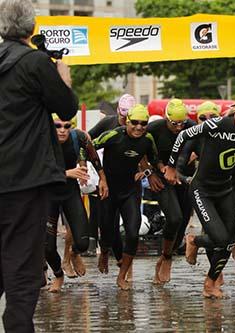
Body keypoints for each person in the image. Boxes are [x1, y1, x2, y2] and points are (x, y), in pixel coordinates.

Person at [0, 0, 78, 330]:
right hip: (24, 180)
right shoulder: (35, 63)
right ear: (32, 29)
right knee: (23, 267)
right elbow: (66, 107)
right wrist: (61, 71)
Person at [165, 88, 235, 298]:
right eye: (203, 117)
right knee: (220, 237)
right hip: (204, 190)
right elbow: (182, 151)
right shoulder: (204, 131)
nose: (207, 120)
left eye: (212, 116)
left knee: (228, 237)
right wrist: (176, 171)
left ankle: (211, 280)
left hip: (230, 187)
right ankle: (198, 250)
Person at [93, 104, 160, 290]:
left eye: (143, 123)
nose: (139, 127)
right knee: (108, 230)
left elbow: (154, 160)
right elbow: (88, 147)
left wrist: (148, 172)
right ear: (127, 122)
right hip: (109, 190)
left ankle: (122, 275)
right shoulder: (114, 135)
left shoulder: (147, 139)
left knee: (132, 232)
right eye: (135, 123)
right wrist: (101, 176)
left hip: (130, 190)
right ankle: (105, 251)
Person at [45, 115, 108, 292]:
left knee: (82, 243)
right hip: (48, 195)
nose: (62, 130)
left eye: (67, 126)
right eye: (57, 126)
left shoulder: (78, 137)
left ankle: (73, 254)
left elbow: (94, 157)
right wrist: (67, 173)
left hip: (69, 193)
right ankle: (58, 274)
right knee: (48, 247)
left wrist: (102, 179)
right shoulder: (42, 140)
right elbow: (38, 171)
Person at [147, 99, 195, 285]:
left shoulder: (191, 127)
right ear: (166, 118)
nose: (178, 127)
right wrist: (152, 171)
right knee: (174, 217)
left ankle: (168, 254)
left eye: (181, 123)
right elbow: (143, 150)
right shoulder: (156, 128)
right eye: (174, 123)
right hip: (162, 178)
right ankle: (166, 257)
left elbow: (204, 145)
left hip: (184, 177)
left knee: (182, 221)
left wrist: (192, 159)